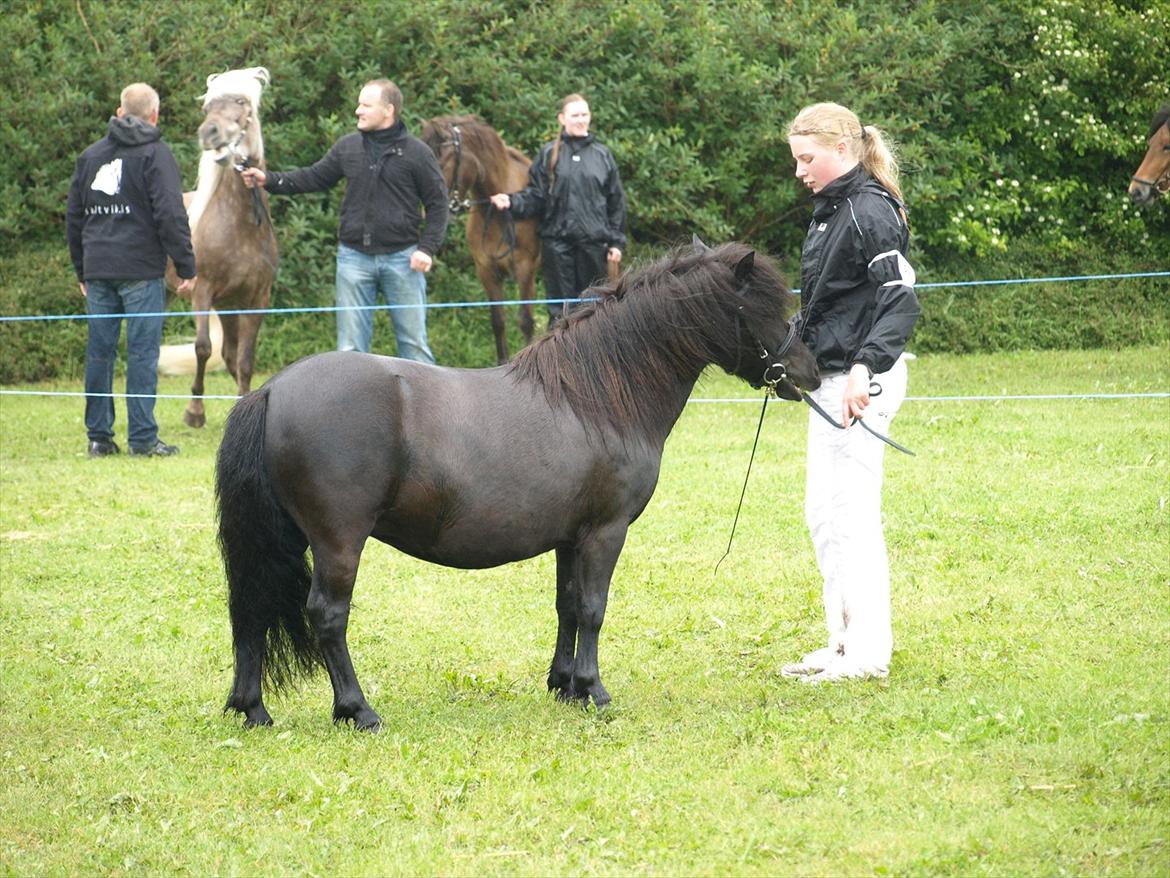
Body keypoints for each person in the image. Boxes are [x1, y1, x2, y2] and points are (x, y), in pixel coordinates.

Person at [780, 102, 921, 683]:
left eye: (807, 159)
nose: (800, 172)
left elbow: (900, 297)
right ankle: (840, 643)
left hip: (865, 382)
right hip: (832, 380)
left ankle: (867, 654)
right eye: (795, 160)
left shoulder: (870, 211)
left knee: (853, 516)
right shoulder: (828, 213)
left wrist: (865, 367)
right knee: (824, 515)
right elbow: (828, 303)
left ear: (842, 151)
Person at [241, 79, 447, 361]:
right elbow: (313, 177)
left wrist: (427, 249)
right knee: (350, 350)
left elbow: (438, 204)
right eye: (359, 104)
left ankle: (428, 406)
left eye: (365, 105)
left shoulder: (417, 153)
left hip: (404, 260)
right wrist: (270, 180)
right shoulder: (347, 147)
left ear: (388, 110)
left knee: (414, 347)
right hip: (353, 260)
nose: (357, 111)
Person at [66, 82, 197, 459]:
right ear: (154, 115)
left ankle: (99, 438)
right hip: (141, 271)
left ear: (119, 111)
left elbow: (74, 218)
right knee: (141, 354)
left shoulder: (90, 156)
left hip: (99, 270)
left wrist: (82, 269)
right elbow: (171, 215)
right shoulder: (156, 155)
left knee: (99, 354)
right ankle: (142, 439)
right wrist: (186, 265)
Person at [489, 93, 627, 325]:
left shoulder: (602, 155)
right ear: (562, 118)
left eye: (584, 114)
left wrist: (616, 242)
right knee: (560, 314)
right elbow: (536, 196)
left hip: (594, 245)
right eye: (575, 115)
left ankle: (594, 361)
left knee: (596, 312)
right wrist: (511, 202)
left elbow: (616, 202)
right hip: (556, 246)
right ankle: (560, 361)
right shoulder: (548, 154)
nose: (581, 119)